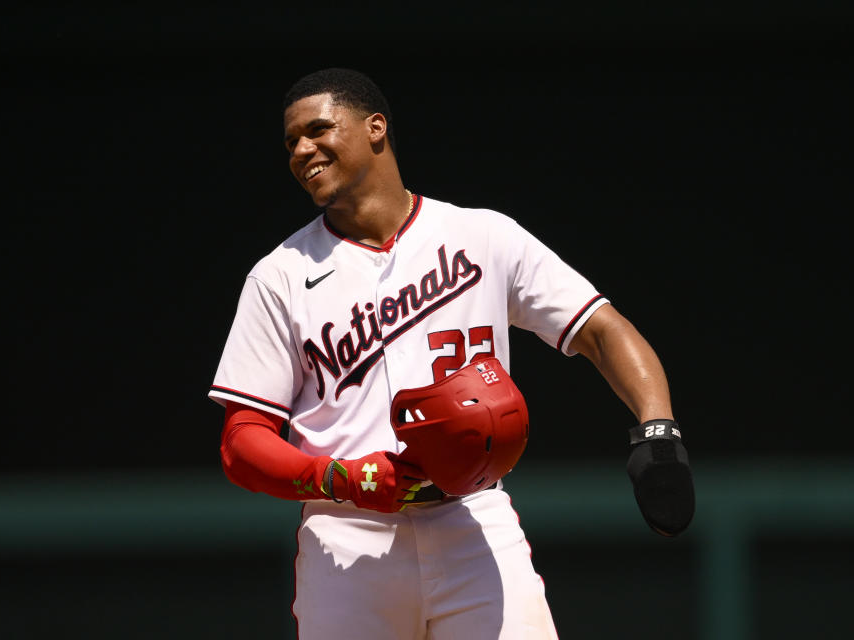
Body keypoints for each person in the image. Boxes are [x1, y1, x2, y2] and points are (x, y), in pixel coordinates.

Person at [209, 68, 693, 639]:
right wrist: (342, 479)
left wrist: (658, 430)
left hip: (473, 519)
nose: (301, 150)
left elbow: (600, 329)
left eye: (317, 130)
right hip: (348, 540)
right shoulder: (280, 275)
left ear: (375, 127)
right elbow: (242, 443)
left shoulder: (482, 235)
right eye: (291, 142)